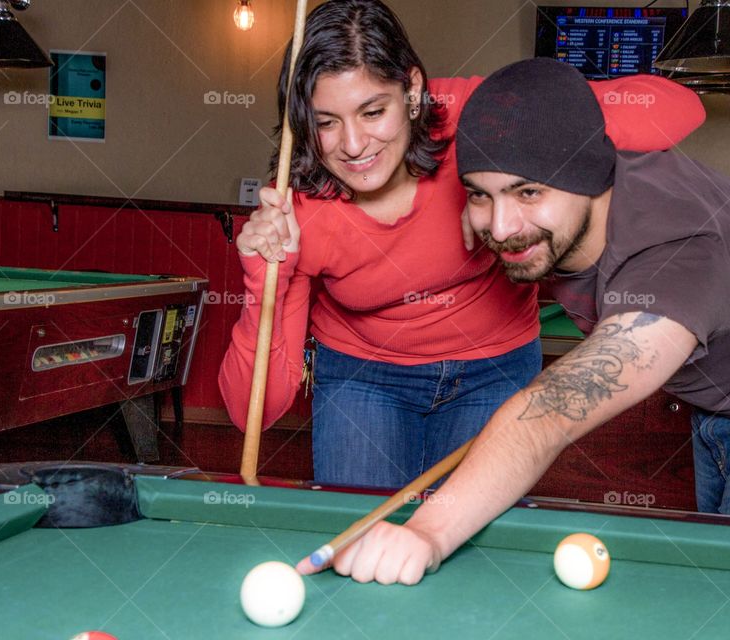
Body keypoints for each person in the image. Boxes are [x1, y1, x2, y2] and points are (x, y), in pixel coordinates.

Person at [303, 58, 730, 585]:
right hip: (728, 388)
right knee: (729, 577)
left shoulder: (679, 253)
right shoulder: (540, 215)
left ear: (589, 178)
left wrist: (428, 533)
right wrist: (489, 206)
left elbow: (549, 413)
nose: (502, 226)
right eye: (480, 195)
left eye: (527, 192)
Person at [219, 0, 705, 489]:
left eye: (373, 111)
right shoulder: (298, 210)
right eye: (326, 122)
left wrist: (490, 191)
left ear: (411, 90)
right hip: (363, 377)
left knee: (466, 543)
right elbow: (250, 414)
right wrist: (265, 279)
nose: (352, 144)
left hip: (494, 366)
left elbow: (679, 109)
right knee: (359, 543)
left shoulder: (474, 118)